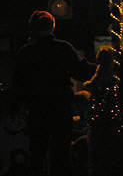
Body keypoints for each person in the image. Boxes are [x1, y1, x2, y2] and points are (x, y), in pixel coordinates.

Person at [12, 10, 95, 176]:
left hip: (36, 109)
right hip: (60, 108)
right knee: (61, 152)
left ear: (32, 28)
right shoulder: (63, 48)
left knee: (38, 152)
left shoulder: (26, 52)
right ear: (52, 27)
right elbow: (81, 72)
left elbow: (18, 86)